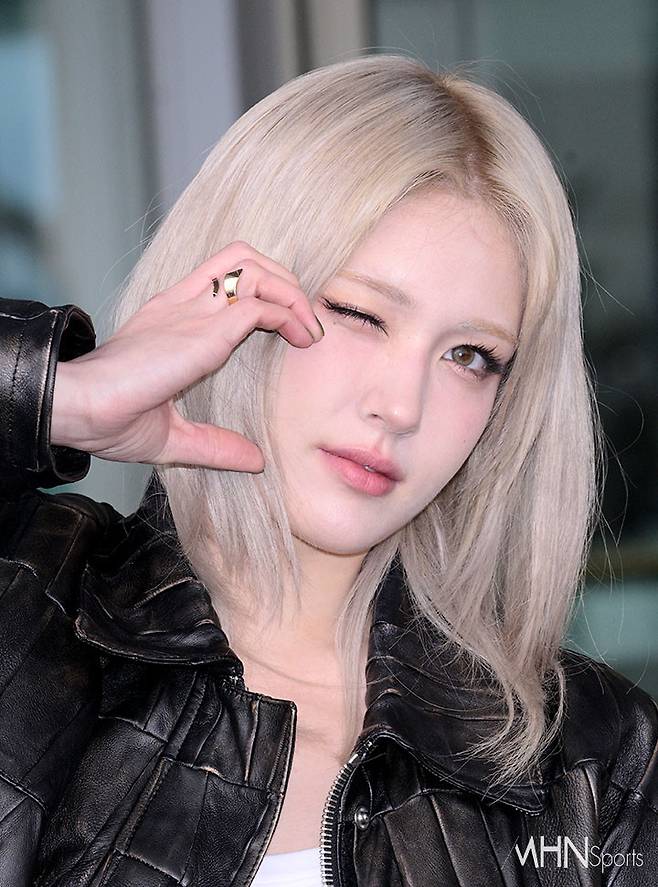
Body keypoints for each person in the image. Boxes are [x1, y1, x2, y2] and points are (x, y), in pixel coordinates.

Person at [0, 53, 656, 887]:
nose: (402, 404)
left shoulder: (598, 764)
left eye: (469, 355)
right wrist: (64, 395)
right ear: (231, 293)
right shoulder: (26, 603)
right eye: (359, 313)